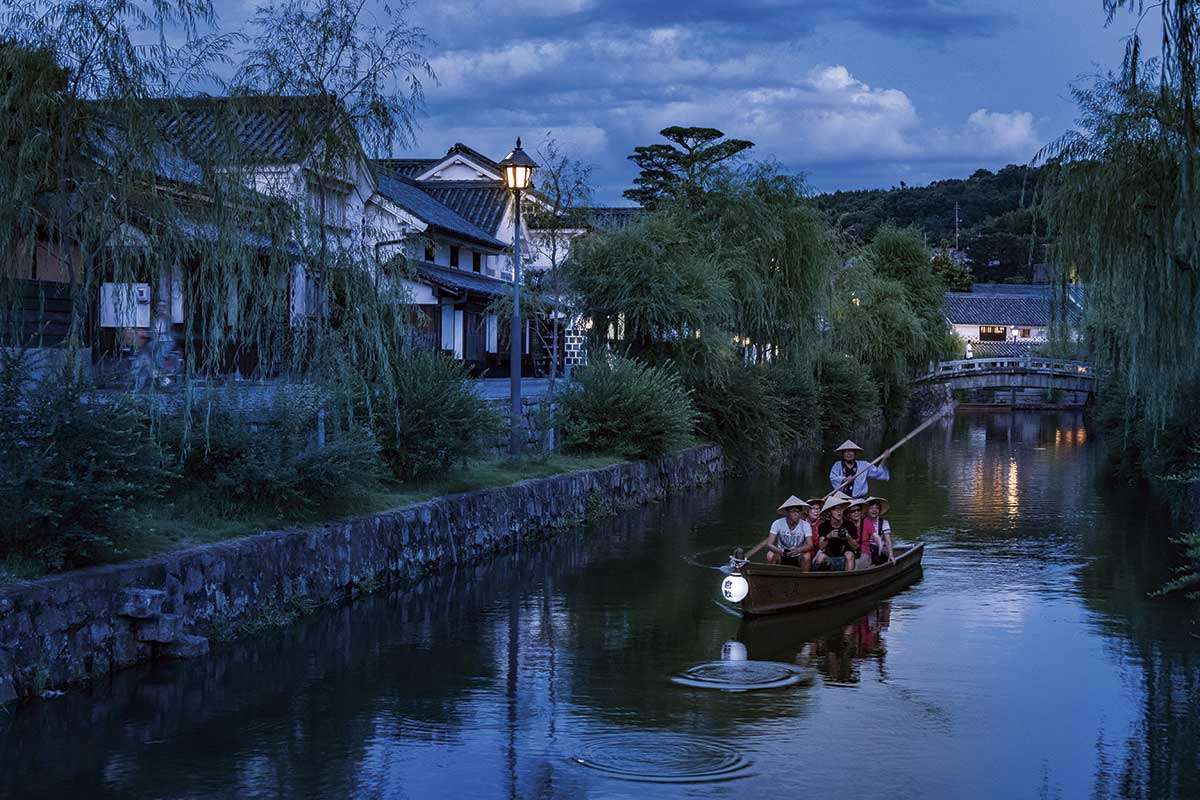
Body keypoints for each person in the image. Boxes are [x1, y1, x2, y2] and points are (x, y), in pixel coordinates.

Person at [764, 496, 814, 569]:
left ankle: (804, 577)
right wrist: (780, 551)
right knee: (770, 554)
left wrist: (798, 550)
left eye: (798, 512)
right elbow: (769, 544)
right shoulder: (777, 523)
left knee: (807, 556)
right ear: (787, 513)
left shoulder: (805, 525)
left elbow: (810, 545)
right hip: (782, 553)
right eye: (793, 511)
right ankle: (773, 576)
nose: (796, 514)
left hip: (798, 554)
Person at [813, 495, 857, 572]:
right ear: (830, 512)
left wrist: (848, 537)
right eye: (836, 510)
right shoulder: (823, 526)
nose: (839, 512)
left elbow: (855, 546)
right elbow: (821, 547)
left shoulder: (850, 525)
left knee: (849, 554)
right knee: (820, 557)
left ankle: (848, 580)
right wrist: (828, 536)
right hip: (830, 557)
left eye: (841, 509)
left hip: (844, 557)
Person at [860, 496, 894, 567]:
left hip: (879, 548)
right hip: (865, 548)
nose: (874, 510)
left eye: (876, 508)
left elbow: (887, 540)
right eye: (871, 508)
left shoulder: (884, 522)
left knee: (879, 551)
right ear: (867, 510)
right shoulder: (862, 521)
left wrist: (891, 554)